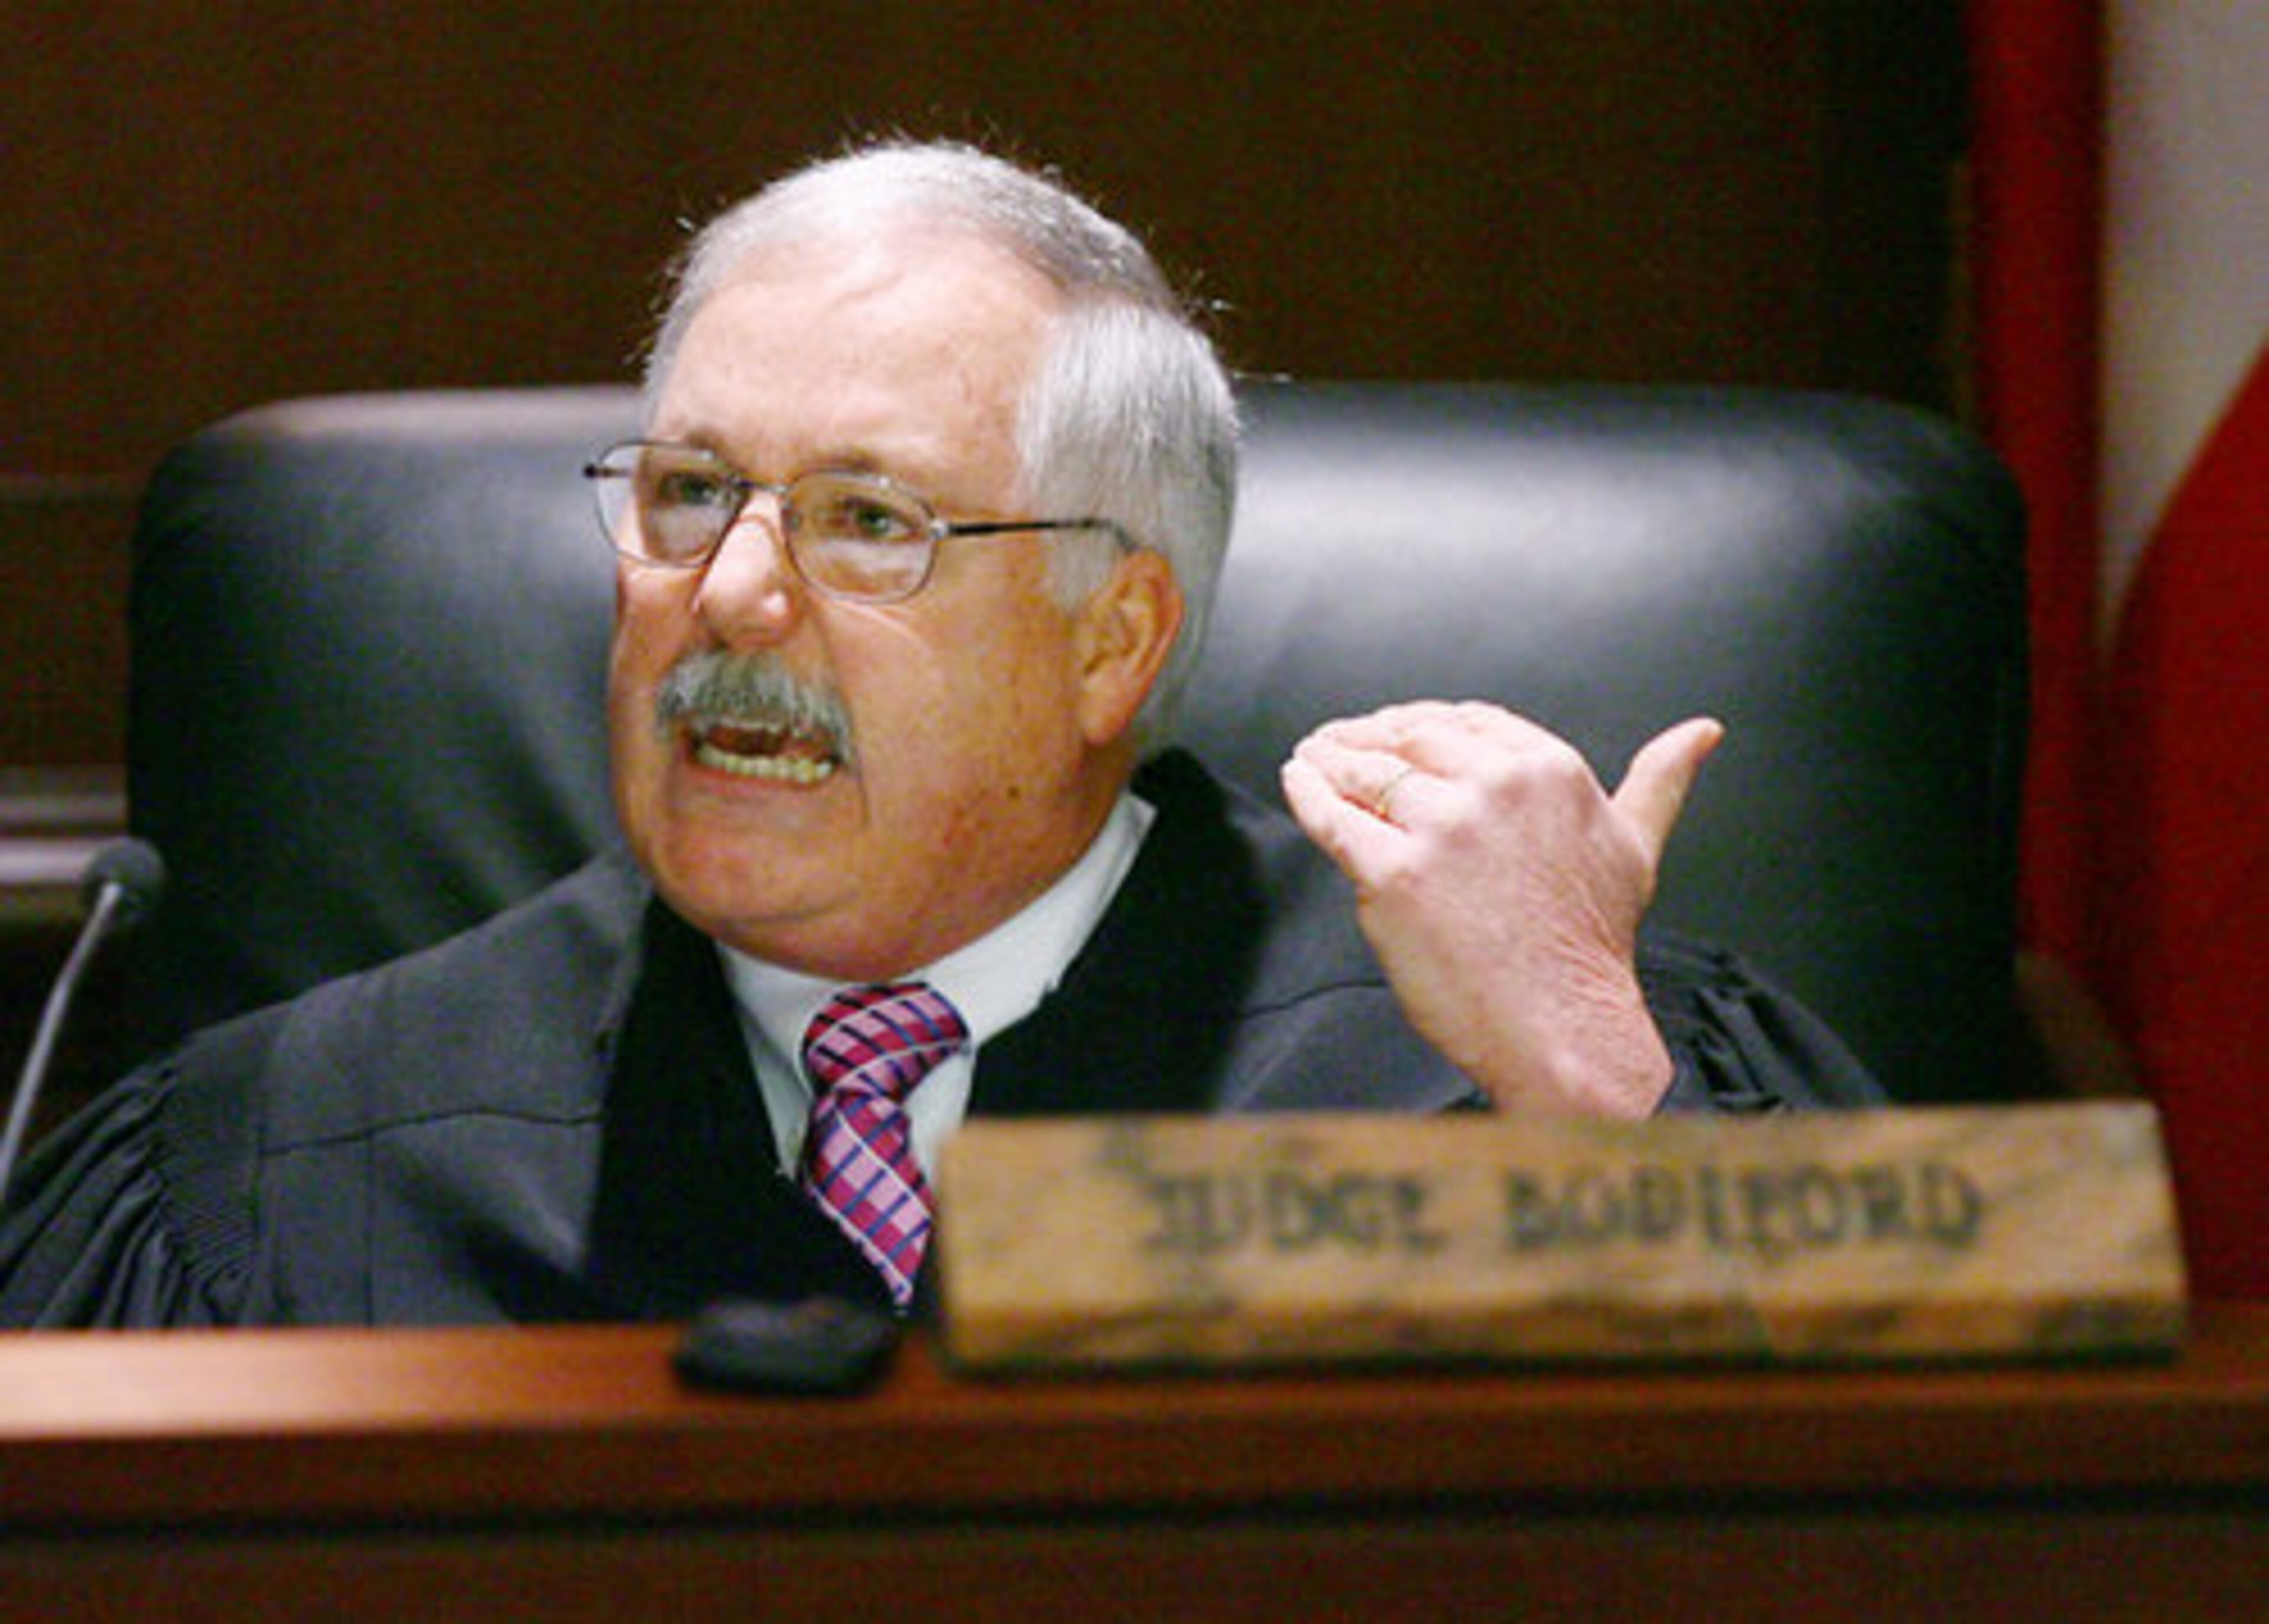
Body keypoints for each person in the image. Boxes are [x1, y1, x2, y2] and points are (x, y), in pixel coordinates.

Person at [0, 140, 1878, 1328]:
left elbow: (1932, 1536)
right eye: (687, 494)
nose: (730, 595)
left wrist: (1604, 1105)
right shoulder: (277, 1161)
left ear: (1111, 636)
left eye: (867, 522)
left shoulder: (1491, 1060)